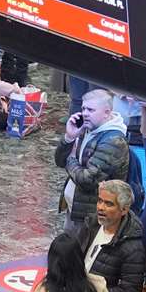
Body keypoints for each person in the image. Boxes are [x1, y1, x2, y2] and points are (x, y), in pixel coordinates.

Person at [57, 88, 129, 232]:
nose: (85, 114)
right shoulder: (87, 128)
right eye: (83, 108)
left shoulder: (113, 141)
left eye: (90, 110)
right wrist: (69, 138)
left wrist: (70, 159)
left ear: (107, 112)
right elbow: (59, 161)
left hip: (91, 217)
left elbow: (87, 180)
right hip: (76, 209)